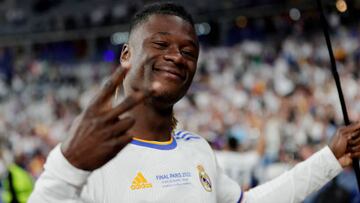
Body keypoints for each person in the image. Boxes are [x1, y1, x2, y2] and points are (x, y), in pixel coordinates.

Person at [29, 2, 360, 203]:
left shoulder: (197, 149)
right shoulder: (89, 153)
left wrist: (330, 158)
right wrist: (68, 167)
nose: (176, 56)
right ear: (126, 55)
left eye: (188, 51)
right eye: (160, 43)